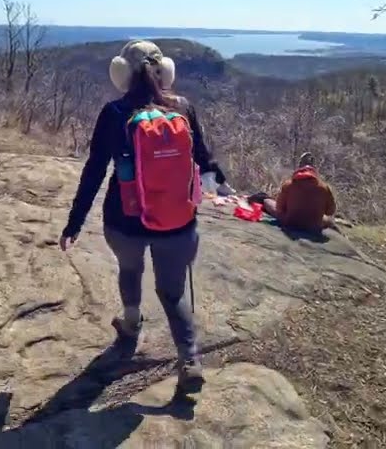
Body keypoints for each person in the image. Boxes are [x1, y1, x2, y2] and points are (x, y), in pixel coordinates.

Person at [59, 40, 231, 384]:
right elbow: (204, 159)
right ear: (164, 71)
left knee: (130, 269)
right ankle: (189, 359)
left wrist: (74, 223)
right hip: (178, 221)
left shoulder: (114, 113)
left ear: (121, 72)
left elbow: (94, 171)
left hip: (125, 220)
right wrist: (223, 187)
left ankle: (130, 321)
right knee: (173, 291)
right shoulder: (182, 107)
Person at [263, 152, 336, 233]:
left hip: (290, 223)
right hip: (314, 226)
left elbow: (279, 208)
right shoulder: (324, 188)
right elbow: (330, 211)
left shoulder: (289, 184)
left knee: (267, 201)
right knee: (329, 220)